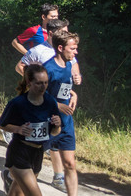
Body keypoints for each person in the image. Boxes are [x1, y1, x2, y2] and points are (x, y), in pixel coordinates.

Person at [0, 64, 62, 196]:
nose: (43, 86)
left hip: (38, 153)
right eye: (39, 83)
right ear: (29, 82)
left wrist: (57, 125)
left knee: (18, 194)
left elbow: (54, 132)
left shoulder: (50, 102)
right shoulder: (18, 103)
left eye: (45, 82)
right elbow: (2, 124)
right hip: (19, 152)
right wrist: (18, 129)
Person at [43, 29, 80, 195]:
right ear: (60, 48)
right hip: (47, 123)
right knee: (33, 165)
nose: (76, 52)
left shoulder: (69, 65)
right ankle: (13, 178)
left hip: (66, 123)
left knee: (70, 164)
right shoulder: (47, 69)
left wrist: (74, 94)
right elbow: (37, 95)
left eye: (76, 48)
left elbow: (64, 89)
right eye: (72, 49)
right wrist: (57, 105)